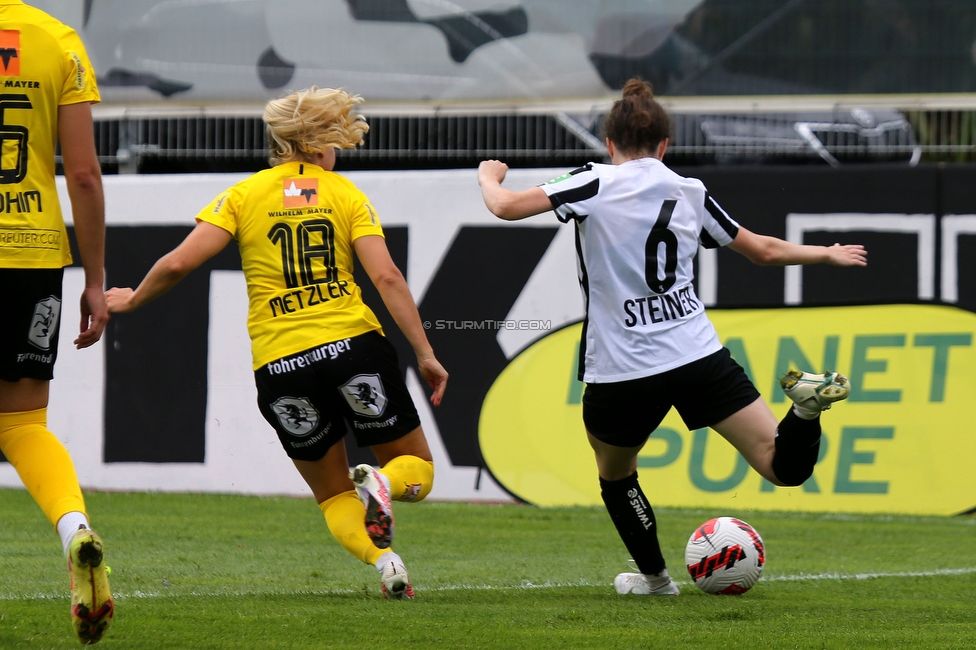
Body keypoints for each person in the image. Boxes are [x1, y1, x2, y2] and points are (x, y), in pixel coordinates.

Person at [477, 78, 867, 596]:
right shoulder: (690, 190)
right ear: (665, 145)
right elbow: (764, 252)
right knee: (781, 466)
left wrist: (487, 175)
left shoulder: (592, 181)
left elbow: (504, 206)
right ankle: (805, 412)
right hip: (697, 356)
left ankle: (657, 580)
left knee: (616, 475)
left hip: (622, 368)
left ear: (608, 144)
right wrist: (825, 252)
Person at [105, 86, 448, 599]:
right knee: (417, 469)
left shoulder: (242, 196)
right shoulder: (344, 194)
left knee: (333, 497)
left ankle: (387, 563)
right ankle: (384, 484)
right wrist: (425, 353)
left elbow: (178, 262)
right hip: (352, 346)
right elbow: (389, 278)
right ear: (322, 142)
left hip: (280, 364)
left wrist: (131, 300)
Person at [0, 1, 114, 642]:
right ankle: (75, 529)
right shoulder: (57, 39)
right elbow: (85, 175)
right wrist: (96, 280)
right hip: (30, 254)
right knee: (19, 422)